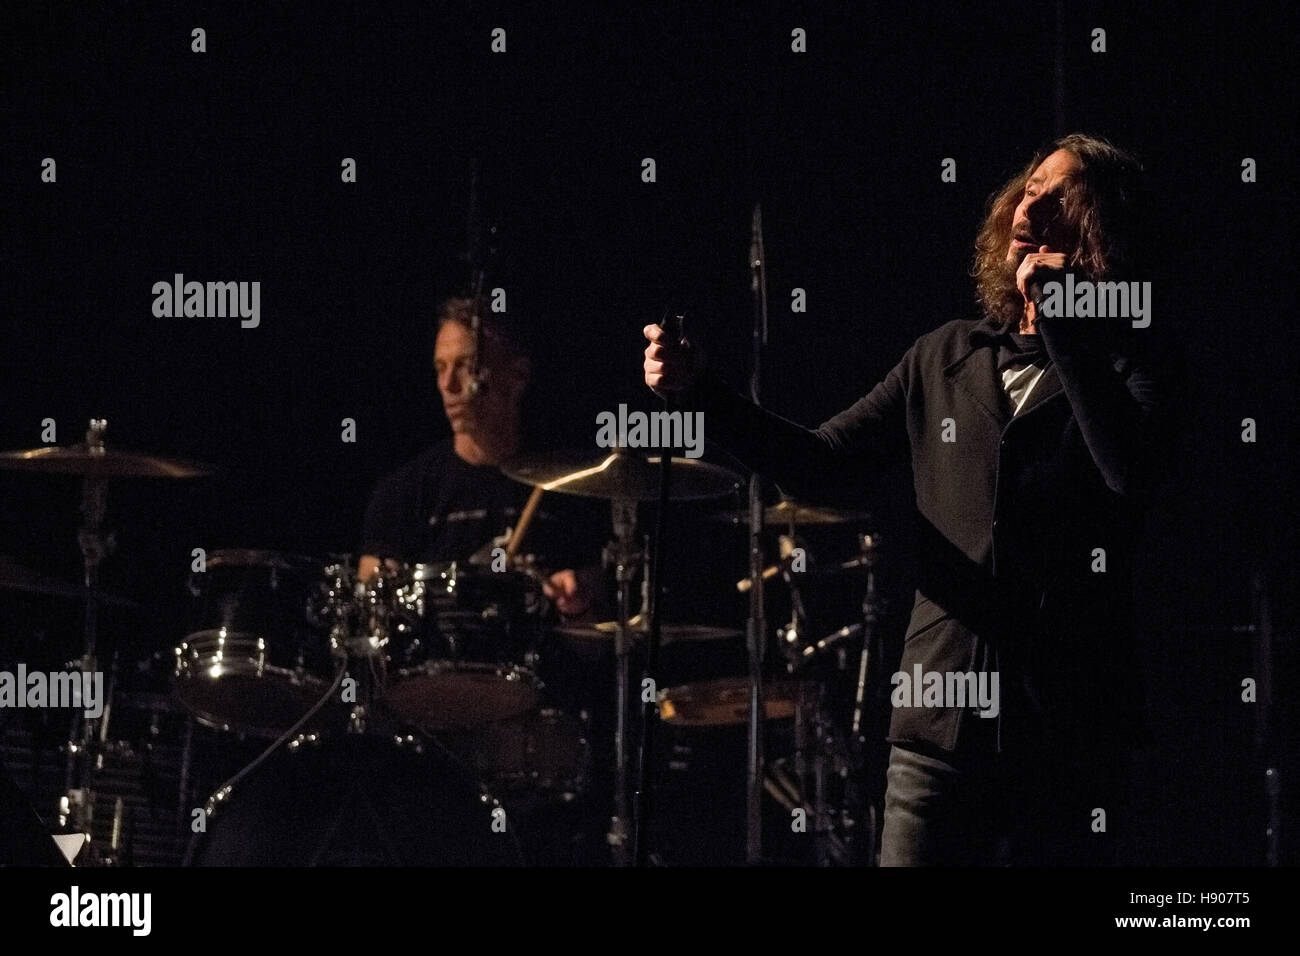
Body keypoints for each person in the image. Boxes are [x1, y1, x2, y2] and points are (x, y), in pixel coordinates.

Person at [643, 133, 1173, 865]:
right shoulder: (944, 354)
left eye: (1063, 195)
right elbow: (822, 464)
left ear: (1103, 230)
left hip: (1071, 735)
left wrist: (1067, 326)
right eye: (1030, 188)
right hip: (939, 729)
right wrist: (704, 392)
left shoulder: (1133, 361)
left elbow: (1132, 477)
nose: (1035, 203)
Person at [360, 296, 601, 617]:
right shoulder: (404, 491)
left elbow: (603, 601)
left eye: (465, 366)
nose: (447, 385)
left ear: (517, 377)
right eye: (440, 368)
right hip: (434, 663)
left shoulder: (567, 487)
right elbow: (372, 598)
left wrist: (581, 588)